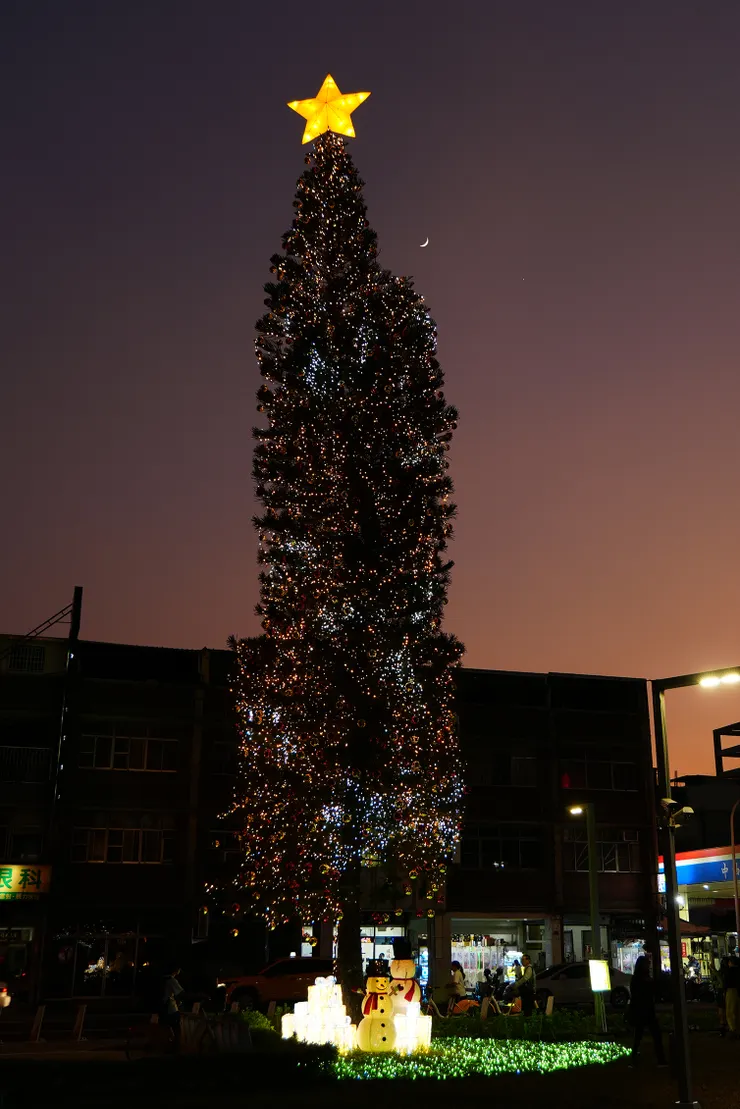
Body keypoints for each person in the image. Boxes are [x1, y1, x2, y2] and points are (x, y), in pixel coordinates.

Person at [628, 956, 667, 1066]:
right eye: (647, 964)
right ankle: (660, 1060)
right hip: (644, 1010)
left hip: (644, 1010)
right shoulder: (641, 979)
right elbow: (644, 993)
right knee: (651, 1035)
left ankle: (635, 1059)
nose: (648, 966)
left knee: (641, 1036)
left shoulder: (640, 978)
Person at [161, 964, 184, 1042]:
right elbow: (181, 994)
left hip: (163, 1008)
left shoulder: (162, 979)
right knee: (176, 1030)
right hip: (171, 1009)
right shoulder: (172, 980)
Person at [724, 955, 740, 1038]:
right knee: (737, 1011)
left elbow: (726, 982)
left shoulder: (729, 971)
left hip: (731, 991)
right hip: (738, 991)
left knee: (730, 1011)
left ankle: (733, 1029)